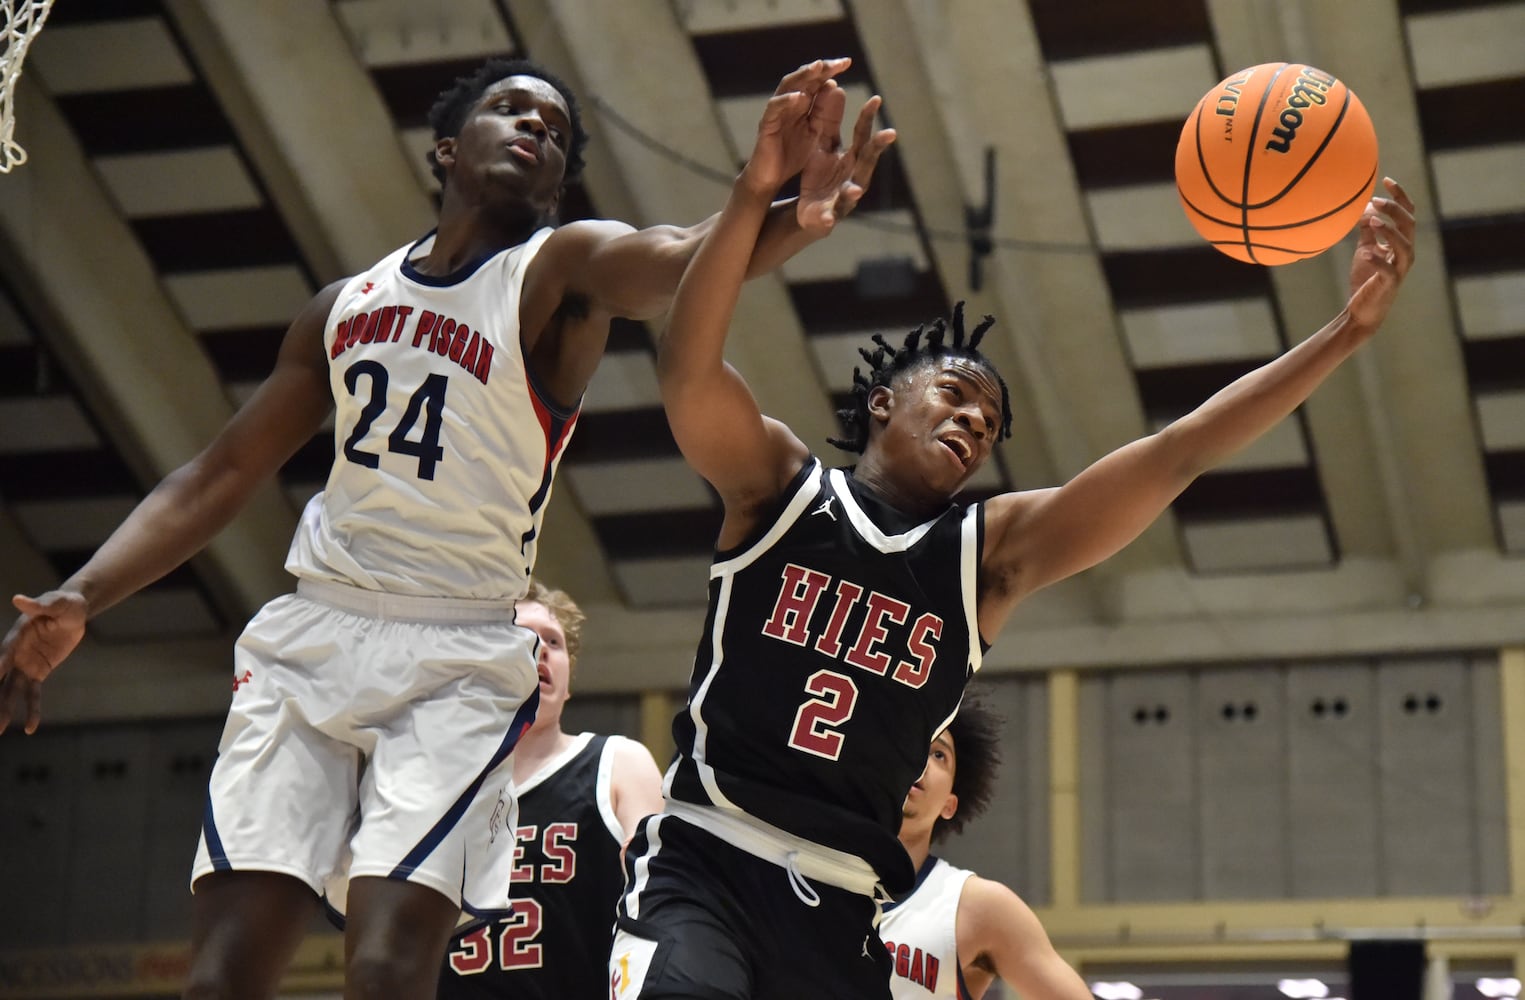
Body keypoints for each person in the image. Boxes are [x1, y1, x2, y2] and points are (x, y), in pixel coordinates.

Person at [0, 56, 881, 1000]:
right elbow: (220, 473)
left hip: (456, 654)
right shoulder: (345, 307)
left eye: (553, 126)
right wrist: (82, 593)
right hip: (312, 632)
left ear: (558, 180)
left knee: (386, 970)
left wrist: (770, 200)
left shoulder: (558, 269)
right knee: (221, 978)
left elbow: (677, 257)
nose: (535, 126)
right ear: (449, 148)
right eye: (510, 109)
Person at [610, 57, 1416, 999]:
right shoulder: (777, 486)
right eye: (953, 396)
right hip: (705, 853)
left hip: (841, 897)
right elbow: (688, 362)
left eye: (988, 426)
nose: (970, 424)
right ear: (879, 402)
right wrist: (757, 194)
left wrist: (1345, 333)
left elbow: (1176, 453)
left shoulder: (985, 559)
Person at [439, 579, 663, 1000]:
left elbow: (662, 902)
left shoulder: (616, 763)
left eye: (554, 642)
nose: (541, 649)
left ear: (568, 680)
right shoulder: (437, 788)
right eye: (522, 635)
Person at [881, 698, 1089, 1000]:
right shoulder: (805, 874)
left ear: (949, 804)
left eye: (939, 754)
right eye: (908, 744)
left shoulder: (979, 906)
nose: (919, 762)